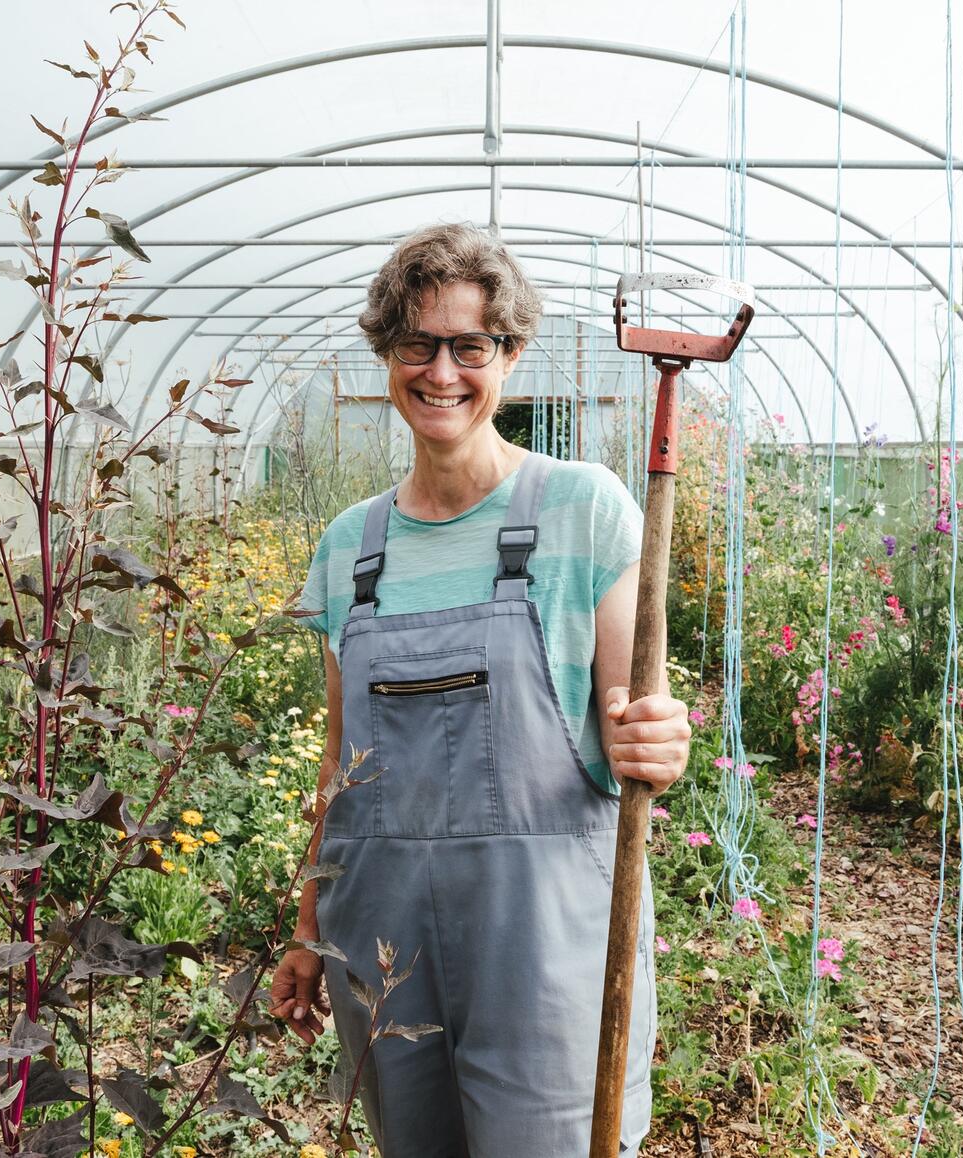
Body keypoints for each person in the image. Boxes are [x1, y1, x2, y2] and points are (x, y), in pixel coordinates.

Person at [270, 222, 691, 1157]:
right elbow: (340, 766)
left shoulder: (583, 510)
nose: (441, 372)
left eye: (470, 345)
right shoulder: (349, 547)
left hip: (541, 943)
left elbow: (637, 721)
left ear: (511, 352)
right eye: (416, 344)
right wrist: (305, 928)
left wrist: (662, 738)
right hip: (384, 942)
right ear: (387, 353)